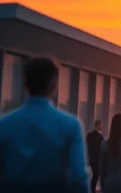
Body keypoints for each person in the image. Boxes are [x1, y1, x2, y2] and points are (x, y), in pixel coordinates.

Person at [0, 56, 89, 193]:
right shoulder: (71, 125)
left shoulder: (4, 124)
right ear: (54, 84)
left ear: (25, 83)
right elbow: (78, 177)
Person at [87, 120, 105, 193]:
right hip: (97, 159)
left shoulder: (89, 135)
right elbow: (102, 148)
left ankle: (92, 189)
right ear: (98, 126)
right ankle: (92, 190)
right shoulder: (100, 137)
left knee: (96, 174)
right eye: (101, 125)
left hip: (91, 158)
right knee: (96, 174)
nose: (102, 127)